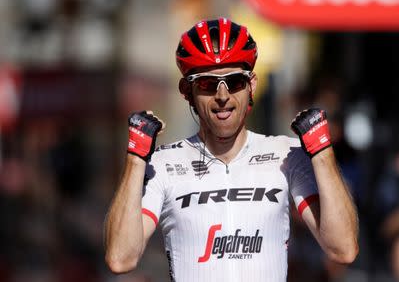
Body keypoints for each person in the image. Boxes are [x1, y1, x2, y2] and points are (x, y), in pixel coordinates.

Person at [104, 18, 359, 282]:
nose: (223, 96)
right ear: (187, 91)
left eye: (235, 81)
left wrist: (323, 153)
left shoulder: (287, 154)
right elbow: (121, 258)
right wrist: (136, 160)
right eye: (207, 84)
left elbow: (343, 249)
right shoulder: (163, 163)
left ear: (252, 86)